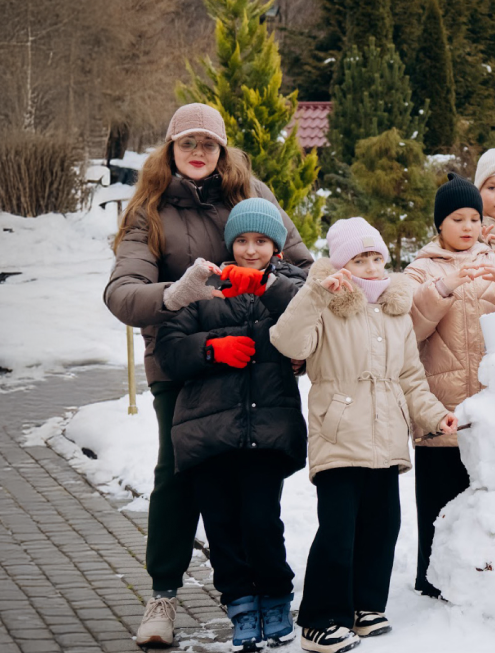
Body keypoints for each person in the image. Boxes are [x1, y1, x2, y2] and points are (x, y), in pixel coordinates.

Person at [101, 102, 312, 647]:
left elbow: (302, 268)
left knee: (253, 489)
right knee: (179, 474)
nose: (197, 153)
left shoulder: (253, 196)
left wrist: (288, 321)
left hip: (259, 361)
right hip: (184, 360)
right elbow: (122, 291)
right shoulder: (149, 209)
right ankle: (164, 594)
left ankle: (258, 589)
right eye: (186, 143)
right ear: (170, 149)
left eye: (208, 143)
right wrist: (173, 294)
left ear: (223, 150)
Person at [271, 218, 460, 653]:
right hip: (340, 435)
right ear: (342, 264)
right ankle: (321, 619)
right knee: (338, 531)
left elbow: (410, 376)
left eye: (376, 257)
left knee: (382, 527)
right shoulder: (324, 303)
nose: (372, 266)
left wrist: (435, 416)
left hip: (387, 438)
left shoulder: (396, 311)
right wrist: (316, 293)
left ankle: (365, 606)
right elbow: (288, 342)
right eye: (360, 258)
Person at [151, 199, 310, 651]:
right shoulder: (204, 284)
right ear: (229, 244)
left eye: (261, 241)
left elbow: (310, 316)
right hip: (205, 430)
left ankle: (276, 595)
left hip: (266, 427)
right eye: (242, 240)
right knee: (220, 525)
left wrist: (264, 284)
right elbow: (169, 350)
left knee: (261, 521)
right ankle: (240, 603)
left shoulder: (290, 284)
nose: (250, 249)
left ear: (276, 246)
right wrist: (212, 349)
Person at [405, 179, 495, 598]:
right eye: (457, 219)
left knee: (484, 497)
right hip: (441, 403)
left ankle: (483, 575)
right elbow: (409, 326)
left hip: (492, 411)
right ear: (439, 225)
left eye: (474, 218)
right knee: (438, 500)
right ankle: (431, 578)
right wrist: (443, 290)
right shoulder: (421, 268)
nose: (468, 226)